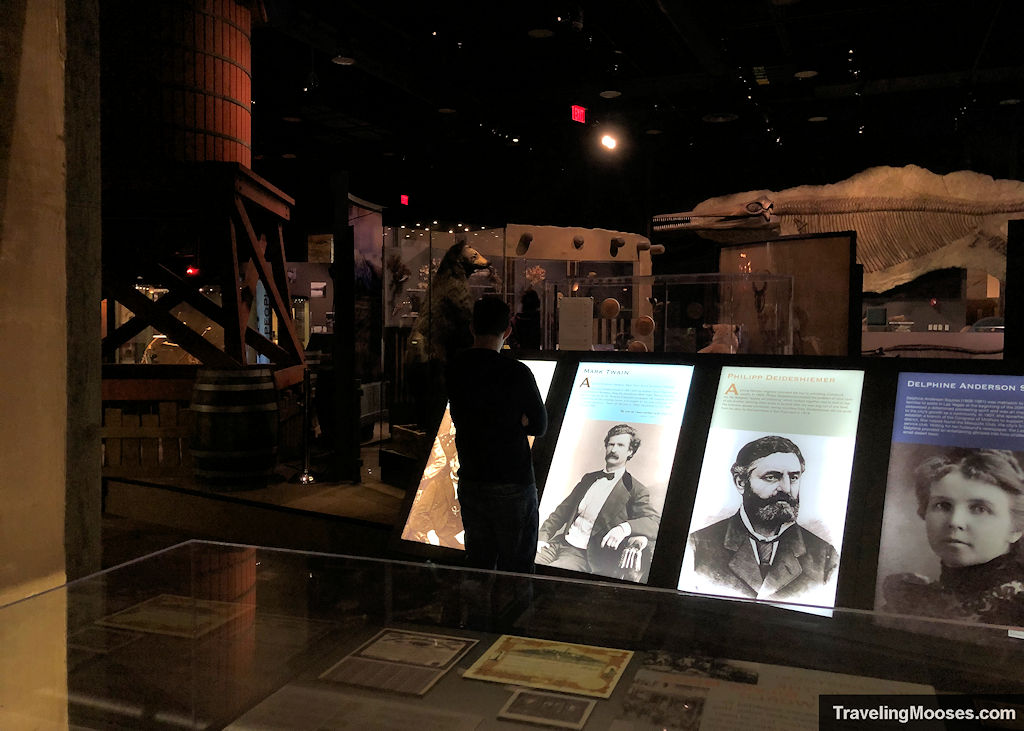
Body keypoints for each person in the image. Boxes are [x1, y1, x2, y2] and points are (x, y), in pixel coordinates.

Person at [445, 296, 547, 572]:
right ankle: (513, 615)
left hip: (471, 478)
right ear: (507, 331)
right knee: (518, 567)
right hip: (513, 481)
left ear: (471, 328)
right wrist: (519, 420)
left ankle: (478, 614)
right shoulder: (517, 372)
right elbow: (539, 425)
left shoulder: (455, 367)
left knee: (478, 563)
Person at [882, 448, 1024, 626]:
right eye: (943, 505)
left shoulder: (1017, 606)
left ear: (1016, 529)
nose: (955, 521)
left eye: (980, 508)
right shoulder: (910, 596)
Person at [687, 435, 838, 601]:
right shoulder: (697, 546)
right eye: (772, 477)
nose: (787, 489)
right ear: (741, 483)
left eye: (794, 477)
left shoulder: (824, 557)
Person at [536, 424, 659, 579]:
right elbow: (561, 513)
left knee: (547, 576)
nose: (613, 450)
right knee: (525, 563)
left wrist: (624, 528)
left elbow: (654, 522)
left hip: (583, 555)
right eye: (611, 444)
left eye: (620, 445)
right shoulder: (589, 478)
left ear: (630, 452)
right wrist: (542, 538)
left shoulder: (635, 489)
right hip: (557, 543)